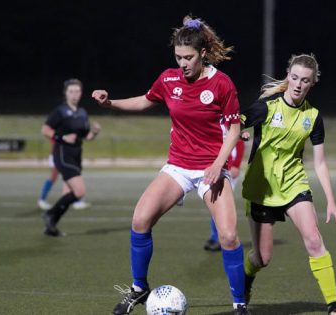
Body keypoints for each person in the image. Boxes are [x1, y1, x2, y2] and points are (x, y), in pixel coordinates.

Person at [91, 16, 248, 315]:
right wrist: (110, 103)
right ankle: (139, 288)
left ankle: (239, 305)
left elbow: (234, 130)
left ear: (202, 54)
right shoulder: (169, 79)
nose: (183, 63)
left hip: (210, 169)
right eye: (178, 57)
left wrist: (218, 165)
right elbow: (144, 100)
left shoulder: (222, 84)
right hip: (178, 166)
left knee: (228, 236)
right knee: (140, 220)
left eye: (188, 58)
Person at [240, 54, 336, 315]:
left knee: (313, 240)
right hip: (261, 188)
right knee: (262, 258)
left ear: (313, 84)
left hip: (294, 184)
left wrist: (331, 201)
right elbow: (235, 124)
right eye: (295, 77)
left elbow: (320, 163)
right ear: (288, 75)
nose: (299, 84)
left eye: (306, 81)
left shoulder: (313, 116)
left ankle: (333, 307)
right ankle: (245, 282)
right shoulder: (266, 106)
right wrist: (239, 132)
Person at [41, 78, 101, 237]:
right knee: (80, 191)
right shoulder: (60, 111)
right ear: (66, 93)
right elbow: (45, 130)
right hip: (62, 155)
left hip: (76, 156)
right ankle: (49, 214)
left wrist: (94, 132)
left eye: (77, 91)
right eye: (71, 91)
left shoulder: (82, 113)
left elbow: (86, 137)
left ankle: (51, 225)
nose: (75, 94)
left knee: (67, 194)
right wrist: (62, 138)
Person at [204, 139, 245, 252]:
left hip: (228, 169)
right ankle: (216, 237)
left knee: (221, 206)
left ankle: (217, 238)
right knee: (215, 204)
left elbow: (239, 143)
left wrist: (236, 165)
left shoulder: (230, 123)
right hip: (216, 168)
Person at [37, 141, 91, 211]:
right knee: (54, 177)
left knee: (69, 177)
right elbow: (55, 142)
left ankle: (76, 200)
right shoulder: (60, 132)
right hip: (57, 156)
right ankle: (42, 200)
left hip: (63, 156)